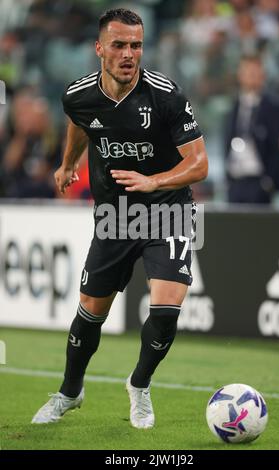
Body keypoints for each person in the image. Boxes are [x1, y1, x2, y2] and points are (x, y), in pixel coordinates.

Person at [31, 8, 208, 429]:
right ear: (99, 49)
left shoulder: (166, 95)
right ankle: (69, 392)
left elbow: (199, 164)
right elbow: (81, 124)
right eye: (119, 45)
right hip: (114, 215)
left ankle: (140, 385)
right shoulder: (77, 95)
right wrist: (67, 163)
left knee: (167, 308)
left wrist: (154, 181)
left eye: (136, 45)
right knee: (91, 310)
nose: (129, 54)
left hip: (169, 210)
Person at [224, 54, 279, 204]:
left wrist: (269, 181)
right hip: (235, 180)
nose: (251, 76)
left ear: (263, 75)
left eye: (254, 72)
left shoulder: (275, 107)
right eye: (247, 72)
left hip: (260, 182)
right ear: (240, 75)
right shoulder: (233, 106)